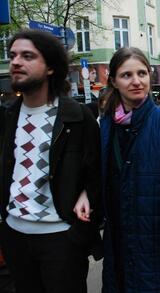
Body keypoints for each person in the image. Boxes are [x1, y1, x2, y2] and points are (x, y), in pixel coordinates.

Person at [0, 29, 102, 293]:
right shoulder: (7, 116)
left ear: (50, 68)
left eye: (27, 56)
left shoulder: (77, 117)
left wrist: (86, 198)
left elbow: (98, 174)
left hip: (61, 240)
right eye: (12, 56)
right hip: (14, 236)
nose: (16, 62)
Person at [99, 47, 160, 292]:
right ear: (113, 81)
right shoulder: (106, 124)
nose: (136, 81)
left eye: (142, 73)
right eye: (126, 75)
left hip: (157, 246)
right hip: (119, 246)